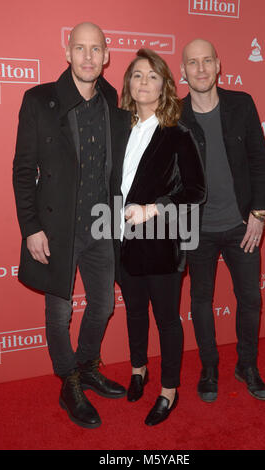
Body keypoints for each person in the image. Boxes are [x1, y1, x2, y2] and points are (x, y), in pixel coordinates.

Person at [13, 22, 131, 429]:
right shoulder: (39, 99)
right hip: (56, 228)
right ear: (67, 52)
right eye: (80, 48)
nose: (87, 57)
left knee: (103, 305)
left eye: (95, 49)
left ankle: (85, 366)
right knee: (59, 310)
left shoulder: (113, 99)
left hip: (101, 225)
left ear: (106, 56)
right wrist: (30, 227)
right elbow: (23, 169)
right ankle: (68, 382)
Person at [180, 38, 265, 403]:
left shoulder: (242, 104)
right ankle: (209, 368)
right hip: (198, 229)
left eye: (207, 60)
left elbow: (259, 160)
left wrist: (258, 214)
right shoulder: (175, 116)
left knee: (250, 299)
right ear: (183, 71)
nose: (201, 69)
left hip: (242, 225)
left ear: (219, 64)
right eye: (193, 62)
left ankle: (247, 365)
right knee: (201, 301)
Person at [110, 48, 205, 426]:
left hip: (162, 243)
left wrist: (153, 208)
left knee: (166, 318)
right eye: (137, 75)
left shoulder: (178, 134)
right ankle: (138, 370)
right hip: (119, 240)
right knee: (134, 312)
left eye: (152, 76)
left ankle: (168, 390)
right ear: (128, 84)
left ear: (164, 84)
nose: (144, 82)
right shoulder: (119, 131)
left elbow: (196, 191)